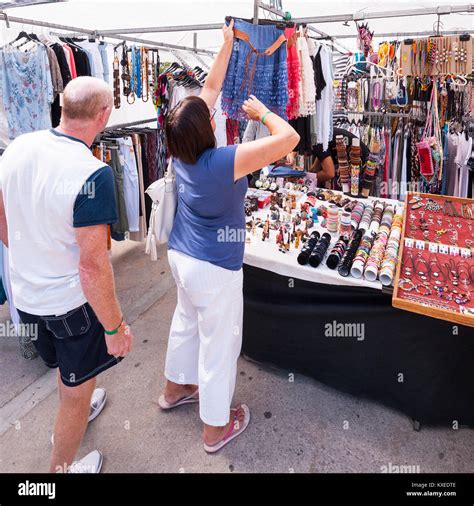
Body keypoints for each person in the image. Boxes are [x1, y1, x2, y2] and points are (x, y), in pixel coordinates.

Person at [159, 20, 300, 453]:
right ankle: (214, 431)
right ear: (206, 129)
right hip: (213, 268)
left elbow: (213, 87)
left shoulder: (180, 148)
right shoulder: (224, 160)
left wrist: (225, 46)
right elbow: (289, 138)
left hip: (181, 255)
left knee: (185, 324)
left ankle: (174, 391)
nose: (212, 106)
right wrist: (264, 114)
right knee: (219, 347)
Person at [0, 76, 133, 473]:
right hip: (70, 306)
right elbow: (92, 266)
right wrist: (115, 328)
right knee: (73, 394)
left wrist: (24, 251)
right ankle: (59, 472)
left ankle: (81, 393)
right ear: (104, 115)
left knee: (68, 371)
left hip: (26, 297)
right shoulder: (93, 173)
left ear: (62, 105)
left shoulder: (19, 146)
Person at [288, 127, 370, 186]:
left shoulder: (316, 142)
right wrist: (304, 175)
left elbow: (329, 173)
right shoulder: (315, 139)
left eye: (301, 152)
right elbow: (315, 168)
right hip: (359, 158)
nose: (304, 155)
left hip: (361, 161)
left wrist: (303, 178)